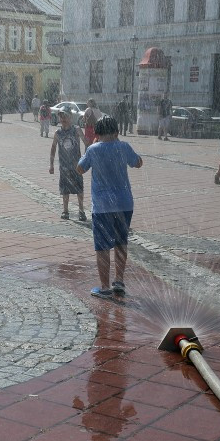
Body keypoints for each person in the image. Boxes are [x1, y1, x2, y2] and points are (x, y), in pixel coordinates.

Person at [76, 115, 143, 299]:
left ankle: (105, 287)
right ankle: (119, 281)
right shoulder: (124, 146)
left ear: (97, 133)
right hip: (124, 204)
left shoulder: (93, 150)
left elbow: (80, 169)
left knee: (103, 247)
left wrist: (93, 147)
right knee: (121, 243)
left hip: (102, 207)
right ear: (117, 132)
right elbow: (138, 163)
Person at [51, 109, 87, 221]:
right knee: (64, 190)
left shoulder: (76, 130)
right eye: (61, 117)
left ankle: (81, 211)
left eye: (65, 117)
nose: (63, 119)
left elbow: (86, 143)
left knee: (79, 190)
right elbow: (53, 148)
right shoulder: (58, 133)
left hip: (77, 166)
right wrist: (51, 164)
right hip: (64, 167)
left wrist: (85, 160)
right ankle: (65, 211)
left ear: (71, 117)